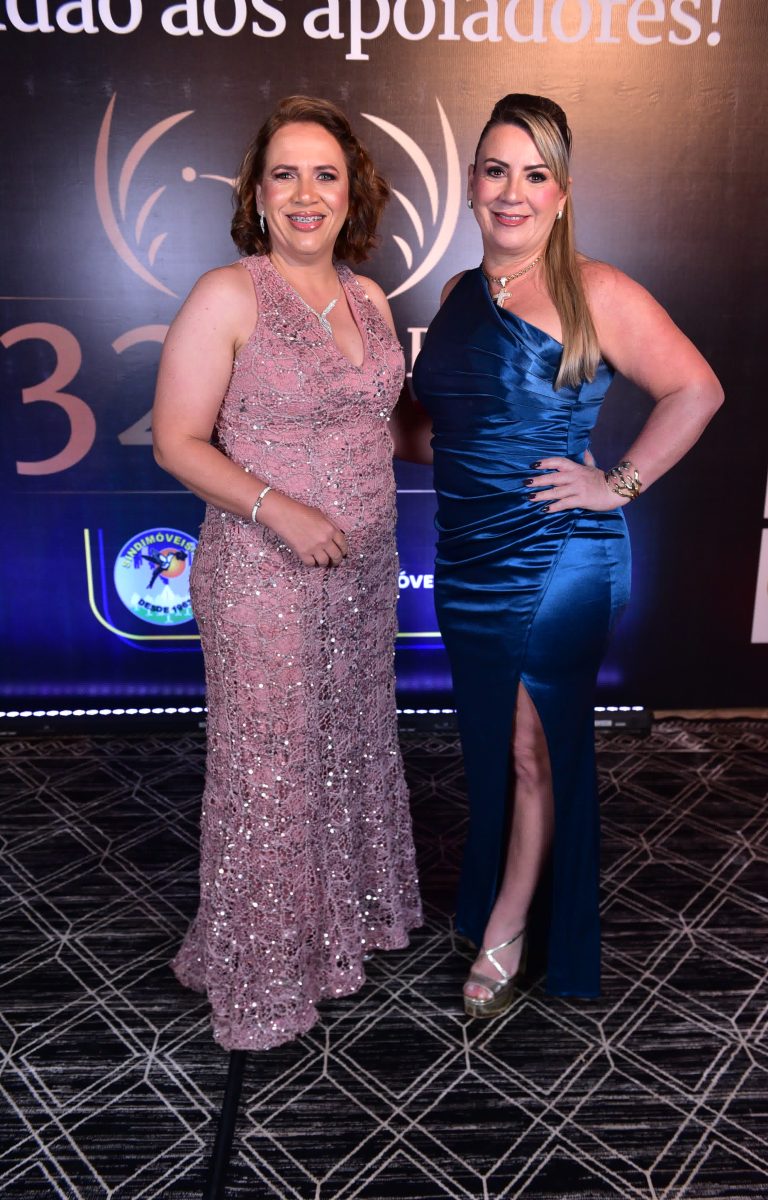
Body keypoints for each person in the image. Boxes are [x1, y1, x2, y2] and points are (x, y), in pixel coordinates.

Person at [411, 93, 723, 1019]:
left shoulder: (598, 290)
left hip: (557, 558)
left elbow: (697, 391)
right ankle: (505, 891)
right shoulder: (458, 296)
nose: (512, 192)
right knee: (493, 742)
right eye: (496, 170)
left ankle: (511, 921)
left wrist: (615, 484)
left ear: (562, 192)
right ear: (471, 183)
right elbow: (441, 436)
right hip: (468, 555)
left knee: (529, 747)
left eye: (534, 175)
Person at [152, 96, 422, 1051]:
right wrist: (280, 509)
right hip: (262, 578)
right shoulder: (228, 295)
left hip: (364, 577)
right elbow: (177, 443)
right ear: (257, 195)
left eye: (325, 174)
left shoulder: (369, 300)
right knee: (272, 774)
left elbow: (388, 428)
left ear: (353, 194)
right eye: (285, 174)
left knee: (347, 750)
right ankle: (263, 974)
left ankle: (335, 937)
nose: (306, 193)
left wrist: (509, 438)